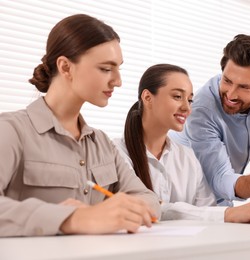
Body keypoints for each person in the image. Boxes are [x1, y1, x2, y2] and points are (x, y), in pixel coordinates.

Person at [0, 14, 160, 237]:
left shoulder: (102, 144)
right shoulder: (10, 131)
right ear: (66, 67)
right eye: (106, 69)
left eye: (118, 69)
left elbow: (149, 200)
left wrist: (119, 211)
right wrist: (72, 219)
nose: (118, 81)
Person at [114, 63, 250, 224]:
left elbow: (208, 210)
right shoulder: (116, 152)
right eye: (177, 96)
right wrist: (228, 214)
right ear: (147, 97)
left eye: (189, 100)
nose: (187, 108)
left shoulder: (187, 157)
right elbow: (151, 208)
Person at [169, 34, 250, 206]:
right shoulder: (201, 111)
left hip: (224, 200)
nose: (231, 94)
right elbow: (220, 178)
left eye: (244, 87)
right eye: (227, 81)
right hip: (192, 204)